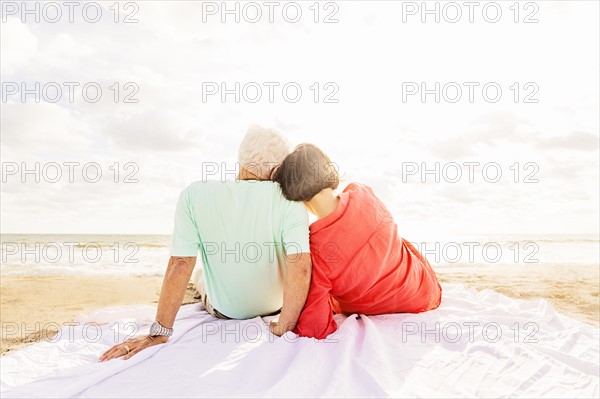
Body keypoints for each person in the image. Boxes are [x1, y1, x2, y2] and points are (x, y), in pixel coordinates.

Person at [99, 126, 312, 362]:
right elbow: (301, 266)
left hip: (226, 312)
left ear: (241, 159)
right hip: (275, 306)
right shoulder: (291, 201)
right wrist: (285, 325)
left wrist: (157, 334)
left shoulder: (194, 195)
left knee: (198, 275)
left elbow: (181, 262)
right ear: (278, 171)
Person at [273, 143, 442, 339]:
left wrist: (285, 323)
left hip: (376, 304)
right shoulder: (363, 193)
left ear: (295, 197)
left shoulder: (316, 247)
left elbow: (315, 326)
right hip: (421, 291)